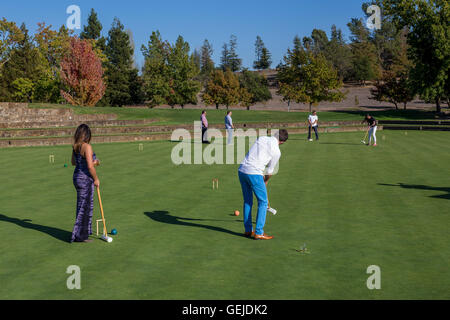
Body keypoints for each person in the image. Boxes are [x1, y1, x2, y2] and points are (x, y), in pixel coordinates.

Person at [238, 129, 289, 240]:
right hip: (254, 173)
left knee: (248, 201)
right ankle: (259, 232)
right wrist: (265, 181)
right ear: (282, 142)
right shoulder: (277, 151)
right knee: (263, 202)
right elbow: (270, 171)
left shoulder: (261, 138)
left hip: (242, 170)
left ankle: (248, 230)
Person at [70, 124, 100, 243]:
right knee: (84, 207)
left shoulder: (75, 146)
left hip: (76, 177)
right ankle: (79, 236)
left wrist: (92, 162)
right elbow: (89, 166)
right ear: (87, 135)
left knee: (83, 206)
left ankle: (83, 233)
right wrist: (96, 178)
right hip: (85, 179)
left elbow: (73, 162)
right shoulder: (87, 146)